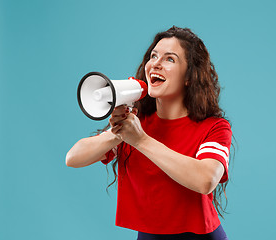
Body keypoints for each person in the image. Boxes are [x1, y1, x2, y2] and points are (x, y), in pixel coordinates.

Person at [66, 26, 232, 240]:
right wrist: (117, 134)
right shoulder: (136, 123)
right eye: (153, 56)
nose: (156, 63)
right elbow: (73, 158)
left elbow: (206, 179)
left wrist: (141, 140)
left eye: (170, 59)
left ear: (189, 76)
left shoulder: (214, 127)